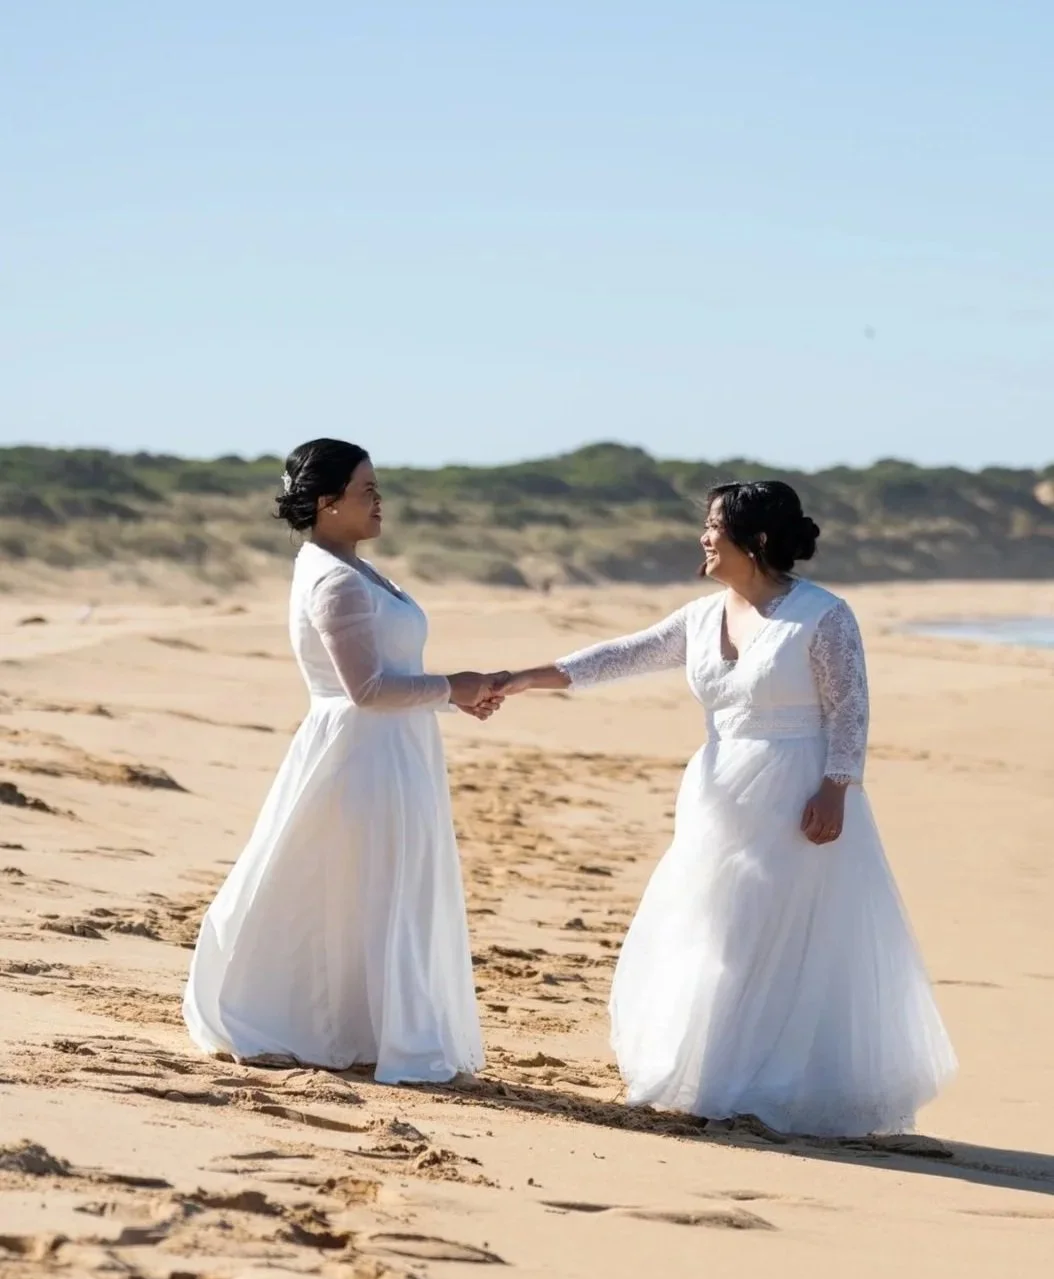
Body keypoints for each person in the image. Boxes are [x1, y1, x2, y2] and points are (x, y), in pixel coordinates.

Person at [496, 481, 956, 1137]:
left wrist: (837, 786)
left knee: (780, 935)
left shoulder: (822, 615)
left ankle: (776, 1086)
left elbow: (850, 707)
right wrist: (518, 679)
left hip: (798, 792)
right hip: (718, 795)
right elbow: (620, 655)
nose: (704, 537)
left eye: (715, 526)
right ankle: (718, 1073)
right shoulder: (700, 616)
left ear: (757, 539)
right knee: (716, 929)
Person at [183, 438, 504, 1084]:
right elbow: (364, 689)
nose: (379, 501)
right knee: (359, 885)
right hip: (360, 752)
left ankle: (365, 1027)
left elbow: (391, 673)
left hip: (392, 745)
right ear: (328, 504)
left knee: (374, 887)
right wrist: (455, 686)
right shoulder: (332, 579)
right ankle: (322, 1023)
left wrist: (450, 700)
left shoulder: (351, 567)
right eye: (367, 491)